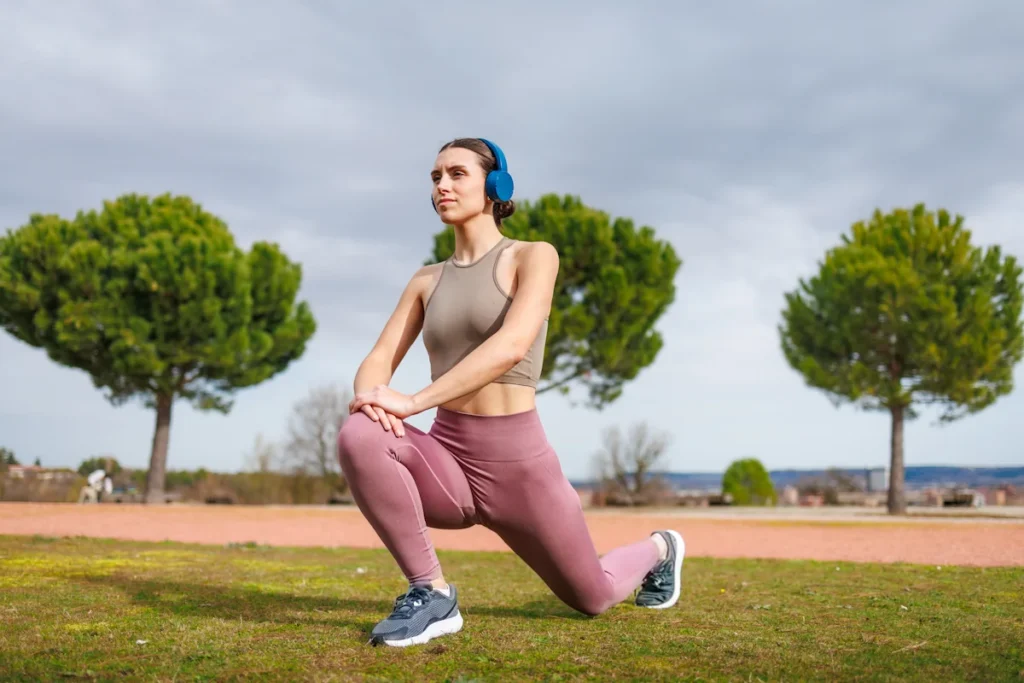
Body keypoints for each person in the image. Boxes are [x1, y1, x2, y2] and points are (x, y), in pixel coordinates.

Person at [337, 137, 685, 648]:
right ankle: (431, 594)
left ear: (496, 185)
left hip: (520, 468)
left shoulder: (532, 256)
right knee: (359, 433)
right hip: (449, 460)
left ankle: (661, 549)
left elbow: (512, 345)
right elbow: (379, 356)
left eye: (457, 174)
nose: (442, 186)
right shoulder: (425, 280)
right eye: (435, 177)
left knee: (594, 596)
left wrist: (411, 402)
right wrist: (371, 396)